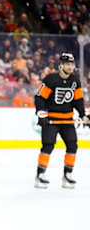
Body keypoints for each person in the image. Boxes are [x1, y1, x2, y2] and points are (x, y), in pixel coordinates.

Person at [34, 52, 89, 189]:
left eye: (72, 64)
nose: (70, 67)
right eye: (67, 64)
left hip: (67, 119)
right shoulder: (50, 79)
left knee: (72, 145)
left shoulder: (75, 80)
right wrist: (41, 113)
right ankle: (40, 175)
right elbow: (40, 97)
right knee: (48, 145)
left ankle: (67, 175)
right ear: (61, 66)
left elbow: (78, 100)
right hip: (51, 119)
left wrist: (83, 114)